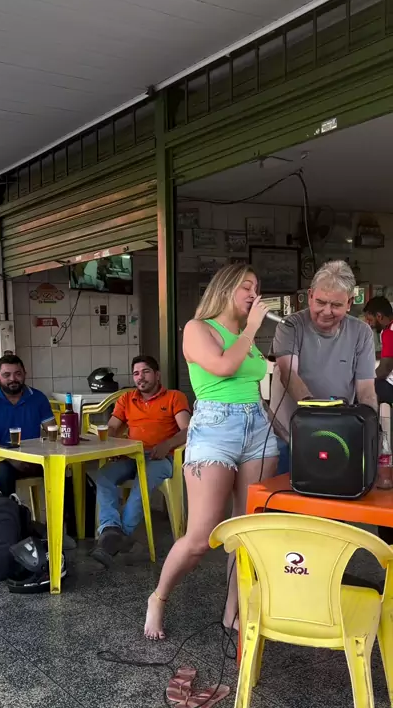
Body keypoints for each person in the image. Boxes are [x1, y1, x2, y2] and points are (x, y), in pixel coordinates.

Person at [144, 265, 279, 640]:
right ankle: (158, 597)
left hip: (256, 426)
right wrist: (251, 329)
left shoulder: (245, 336)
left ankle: (233, 612)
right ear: (224, 289)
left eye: (256, 287)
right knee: (201, 537)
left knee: (246, 531)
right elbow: (221, 367)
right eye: (246, 286)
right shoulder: (197, 328)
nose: (253, 293)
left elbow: (257, 379)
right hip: (215, 429)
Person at [270, 260, 377, 474]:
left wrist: (370, 433)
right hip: (286, 436)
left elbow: (366, 391)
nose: (326, 311)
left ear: (349, 303)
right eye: (320, 302)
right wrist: (319, 417)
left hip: (337, 437)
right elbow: (289, 374)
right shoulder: (290, 325)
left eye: (336, 305)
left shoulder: (362, 333)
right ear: (310, 296)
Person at [92, 355, 190, 568]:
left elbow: (187, 430)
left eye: (145, 372)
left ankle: (116, 536)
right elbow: (112, 427)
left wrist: (167, 444)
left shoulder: (174, 397)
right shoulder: (127, 399)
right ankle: (111, 529)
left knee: (142, 482)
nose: (140, 377)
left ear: (157, 375)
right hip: (130, 455)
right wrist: (113, 445)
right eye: (136, 373)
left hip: (161, 458)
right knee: (104, 476)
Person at [0, 355, 57, 496]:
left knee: (65, 471)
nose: (13, 379)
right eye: (6, 375)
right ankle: (9, 510)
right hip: (1, 459)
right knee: (3, 474)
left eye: (18, 374)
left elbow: (53, 431)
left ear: (25, 374)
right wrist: (9, 457)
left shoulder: (38, 398)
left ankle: (73, 510)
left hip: (34, 456)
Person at [363, 295, 393, 405]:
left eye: (370, 320)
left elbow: (385, 369)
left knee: (362, 390)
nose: (369, 324)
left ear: (379, 316)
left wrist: (366, 380)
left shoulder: (389, 332)